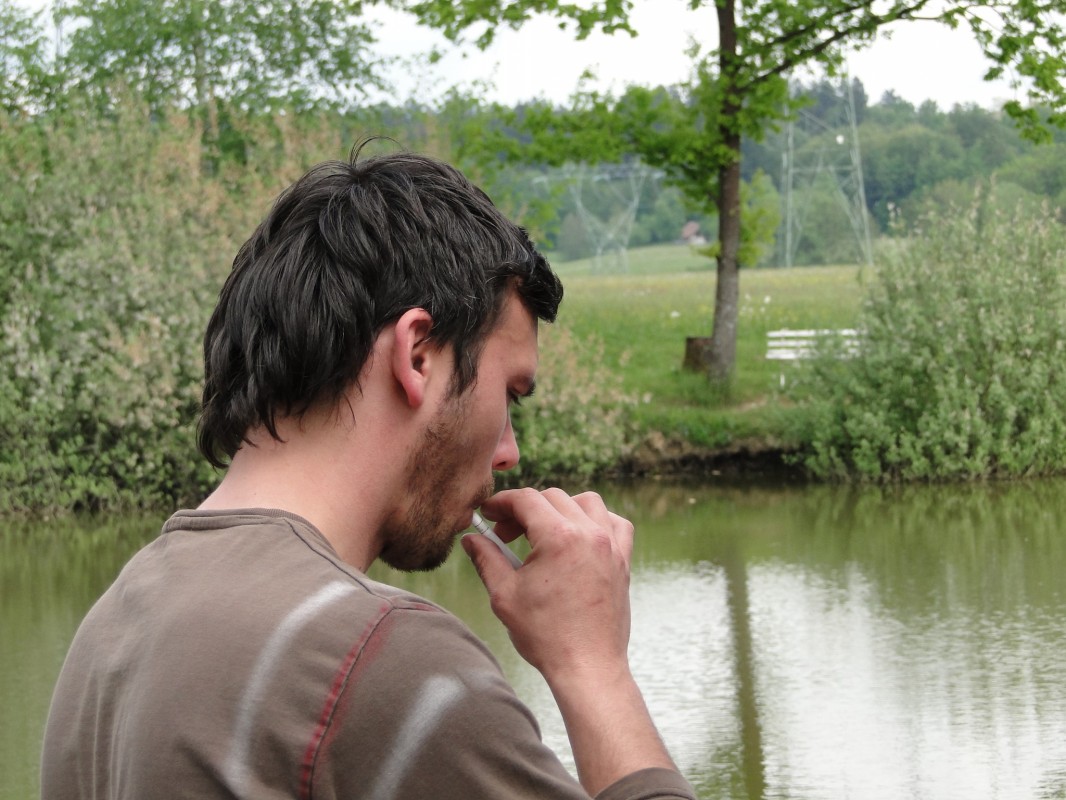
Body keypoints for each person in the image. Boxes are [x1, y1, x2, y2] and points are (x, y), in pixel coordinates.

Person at [40, 146, 696, 800]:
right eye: (510, 395)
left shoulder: (114, 627)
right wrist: (594, 667)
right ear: (418, 355)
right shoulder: (383, 659)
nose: (508, 453)